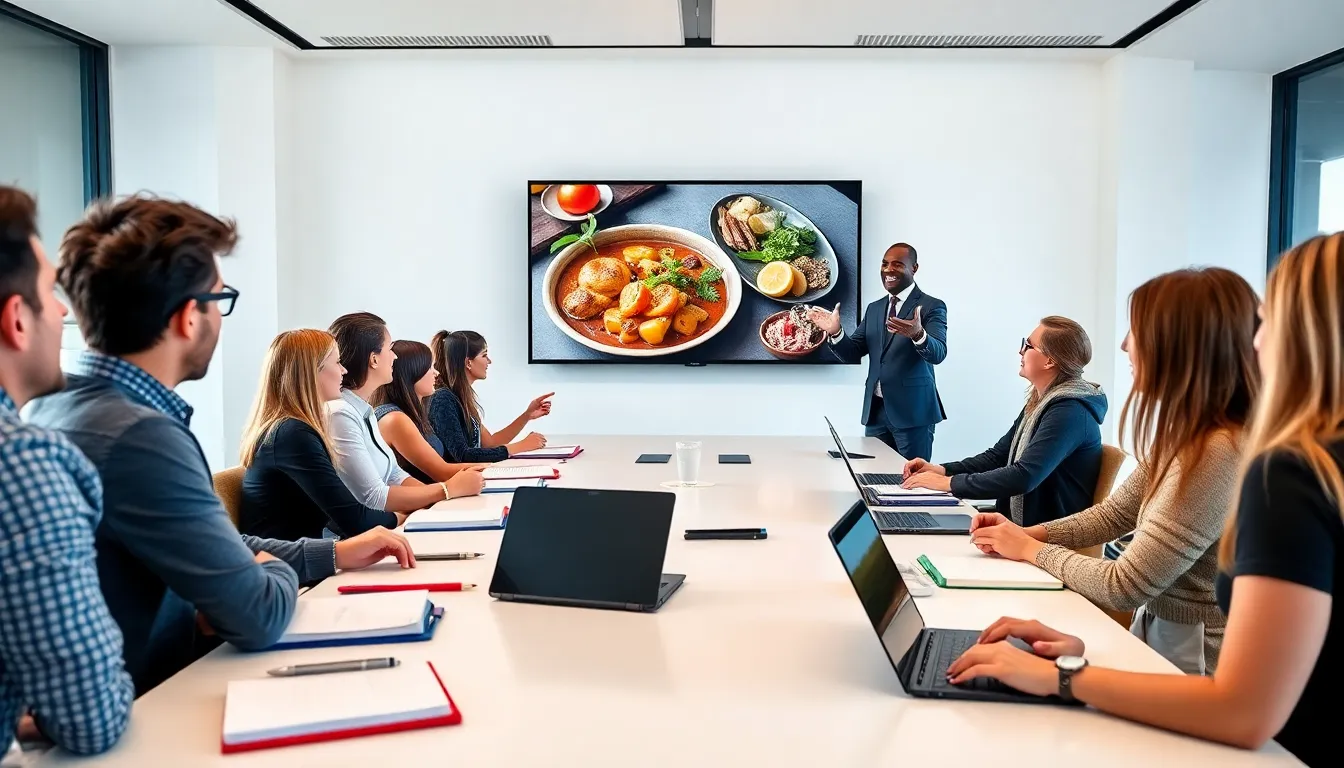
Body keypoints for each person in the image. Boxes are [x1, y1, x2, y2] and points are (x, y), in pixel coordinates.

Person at [949, 234, 1342, 768]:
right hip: (1167, 644)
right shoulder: (1202, 438)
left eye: (1270, 317)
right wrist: (1029, 543)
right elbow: (1115, 516)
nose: (1124, 345)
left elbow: (1134, 588)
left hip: (1198, 670)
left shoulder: (1258, 462)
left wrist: (1061, 673)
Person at [26, 195, 416, 695]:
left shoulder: (55, 407)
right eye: (220, 299)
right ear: (190, 317)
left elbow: (216, 543)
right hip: (165, 699)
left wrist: (331, 555)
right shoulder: (141, 435)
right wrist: (269, 570)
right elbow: (255, 613)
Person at [962, 268, 1259, 675]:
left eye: (1136, 330)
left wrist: (1030, 549)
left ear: (1177, 347)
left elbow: (1126, 585)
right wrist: (1025, 535)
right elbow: (1114, 516)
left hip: (1194, 654)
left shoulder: (1217, 452)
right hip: (1160, 631)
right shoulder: (1187, 433)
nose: (1123, 344)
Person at [0, 186, 132, 756]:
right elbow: (91, 716)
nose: (62, 310)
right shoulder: (22, 464)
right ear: (16, 320)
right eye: (50, 293)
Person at [902, 316, 1106, 527]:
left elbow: (1024, 476)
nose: (1021, 352)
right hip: (1018, 524)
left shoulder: (1070, 412)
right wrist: (942, 470)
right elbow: (998, 456)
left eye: (1028, 346)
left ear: (1049, 361)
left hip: (1045, 538)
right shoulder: (1043, 401)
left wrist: (948, 484)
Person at [239, 329, 410, 541]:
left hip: (302, 559)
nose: (344, 371)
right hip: (291, 569)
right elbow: (355, 520)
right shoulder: (292, 435)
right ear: (312, 372)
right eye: (337, 363)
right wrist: (403, 518)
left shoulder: (290, 430)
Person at [328, 314, 482, 511]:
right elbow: (374, 497)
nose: (395, 356)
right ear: (373, 359)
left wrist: (439, 503)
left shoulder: (365, 410)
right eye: (390, 348)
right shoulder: (342, 414)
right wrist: (446, 490)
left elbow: (395, 475)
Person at [808, 243, 947, 460]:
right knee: (873, 477)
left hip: (913, 413)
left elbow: (938, 353)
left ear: (914, 268)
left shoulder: (931, 306)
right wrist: (836, 332)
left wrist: (918, 334)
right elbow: (853, 352)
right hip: (876, 413)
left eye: (897, 264)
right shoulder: (875, 308)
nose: (888, 270)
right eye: (884, 264)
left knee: (912, 483)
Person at [373, 339, 486, 487]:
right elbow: (442, 472)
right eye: (430, 367)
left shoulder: (415, 414)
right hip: (420, 505)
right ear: (413, 372)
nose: (436, 373)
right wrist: (495, 469)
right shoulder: (395, 419)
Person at [427, 330, 552, 463]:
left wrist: (527, 415)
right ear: (468, 362)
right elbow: (463, 455)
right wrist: (521, 446)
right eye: (484, 355)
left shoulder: (460, 398)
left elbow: (491, 443)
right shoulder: (443, 399)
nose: (489, 361)